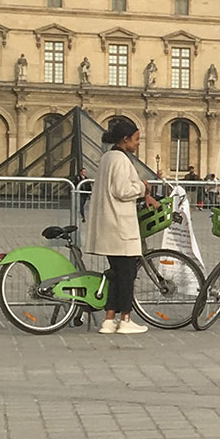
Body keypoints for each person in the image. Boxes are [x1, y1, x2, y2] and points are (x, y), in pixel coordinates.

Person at [82, 118, 159, 335]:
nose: (138, 144)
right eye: (136, 139)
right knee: (127, 275)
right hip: (120, 228)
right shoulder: (121, 160)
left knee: (116, 274)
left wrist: (144, 194)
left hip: (108, 226)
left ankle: (108, 319)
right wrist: (142, 186)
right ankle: (125, 319)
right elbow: (122, 191)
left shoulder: (107, 157)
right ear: (125, 139)